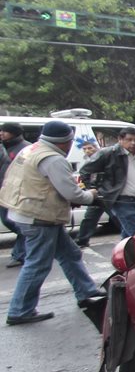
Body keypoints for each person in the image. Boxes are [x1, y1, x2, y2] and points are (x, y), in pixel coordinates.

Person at [0, 120, 104, 325]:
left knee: (70, 254)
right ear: (64, 141)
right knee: (38, 263)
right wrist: (91, 195)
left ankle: (86, 290)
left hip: (26, 210)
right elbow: (71, 192)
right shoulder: (53, 158)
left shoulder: (32, 149)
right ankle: (20, 310)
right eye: (70, 141)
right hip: (39, 216)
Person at [80, 127, 135, 238]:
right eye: (129, 139)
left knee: (128, 235)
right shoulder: (108, 153)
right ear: (120, 139)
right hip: (123, 202)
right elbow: (85, 171)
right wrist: (97, 189)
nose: (133, 143)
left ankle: (125, 254)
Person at [1, 122, 32, 268]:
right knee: (8, 220)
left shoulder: (25, 148)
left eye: (5, 131)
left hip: (16, 192)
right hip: (5, 190)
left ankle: (21, 252)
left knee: (13, 222)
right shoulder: (5, 147)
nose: (1, 133)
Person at [73, 137, 110, 248]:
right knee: (90, 217)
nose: (87, 151)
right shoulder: (89, 161)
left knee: (118, 216)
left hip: (105, 192)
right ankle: (82, 240)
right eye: (85, 149)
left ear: (96, 148)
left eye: (90, 148)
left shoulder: (101, 158)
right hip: (96, 192)